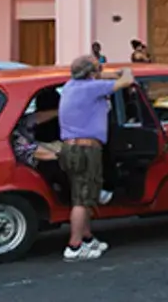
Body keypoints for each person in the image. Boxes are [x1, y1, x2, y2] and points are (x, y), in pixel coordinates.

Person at [58, 56, 134, 261]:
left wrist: (100, 72)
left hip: (70, 148)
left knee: (84, 193)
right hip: (86, 149)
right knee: (82, 199)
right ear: (92, 73)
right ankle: (74, 246)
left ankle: (87, 237)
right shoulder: (93, 88)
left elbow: (95, 78)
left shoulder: (69, 86)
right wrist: (125, 70)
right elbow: (127, 81)